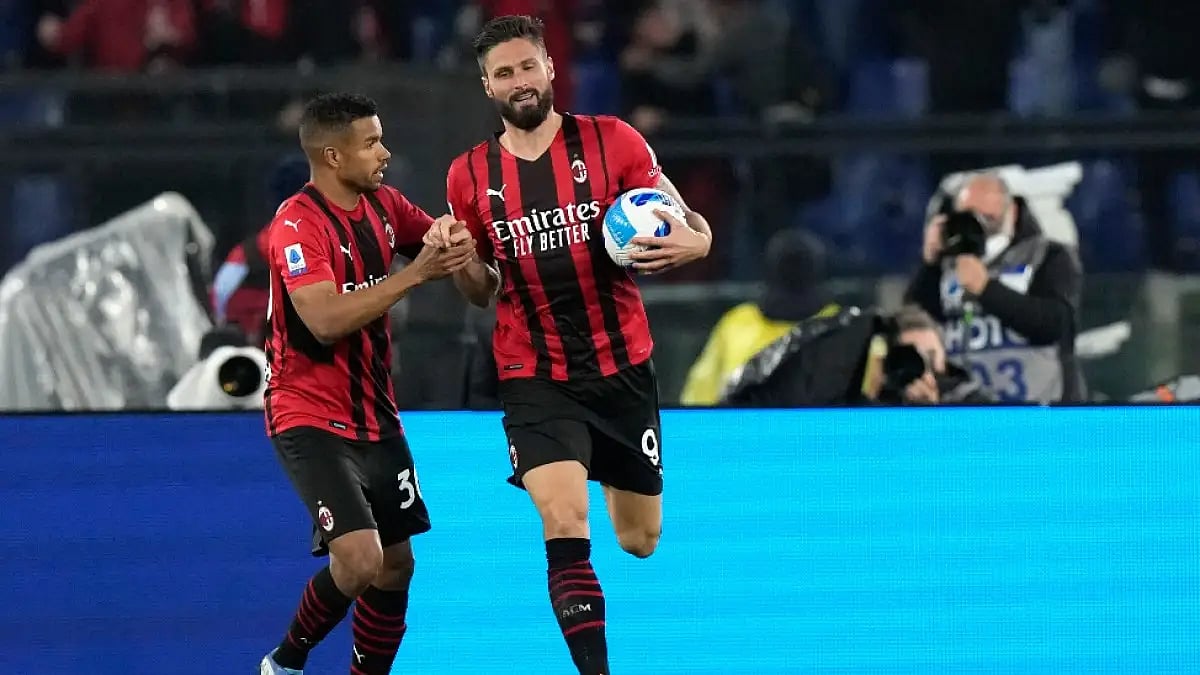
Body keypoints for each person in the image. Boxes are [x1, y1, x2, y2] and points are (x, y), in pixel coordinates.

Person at [430, 15, 713, 675]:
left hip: (621, 367)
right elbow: (481, 289)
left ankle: (611, 467)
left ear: (551, 68)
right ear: (487, 86)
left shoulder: (614, 143)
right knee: (563, 516)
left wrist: (696, 241)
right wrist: (462, 262)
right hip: (534, 371)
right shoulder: (468, 176)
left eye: (528, 66)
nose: (519, 81)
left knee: (640, 539)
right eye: (504, 73)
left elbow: (687, 222)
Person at [258, 93, 476, 675]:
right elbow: (325, 320)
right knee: (358, 559)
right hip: (307, 412)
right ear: (332, 155)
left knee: (396, 566)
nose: (385, 152)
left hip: (376, 414)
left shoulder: (385, 205)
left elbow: (443, 248)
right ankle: (285, 661)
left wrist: (457, 242)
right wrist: (415, 273)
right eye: (371, 142)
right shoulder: (296, 227)